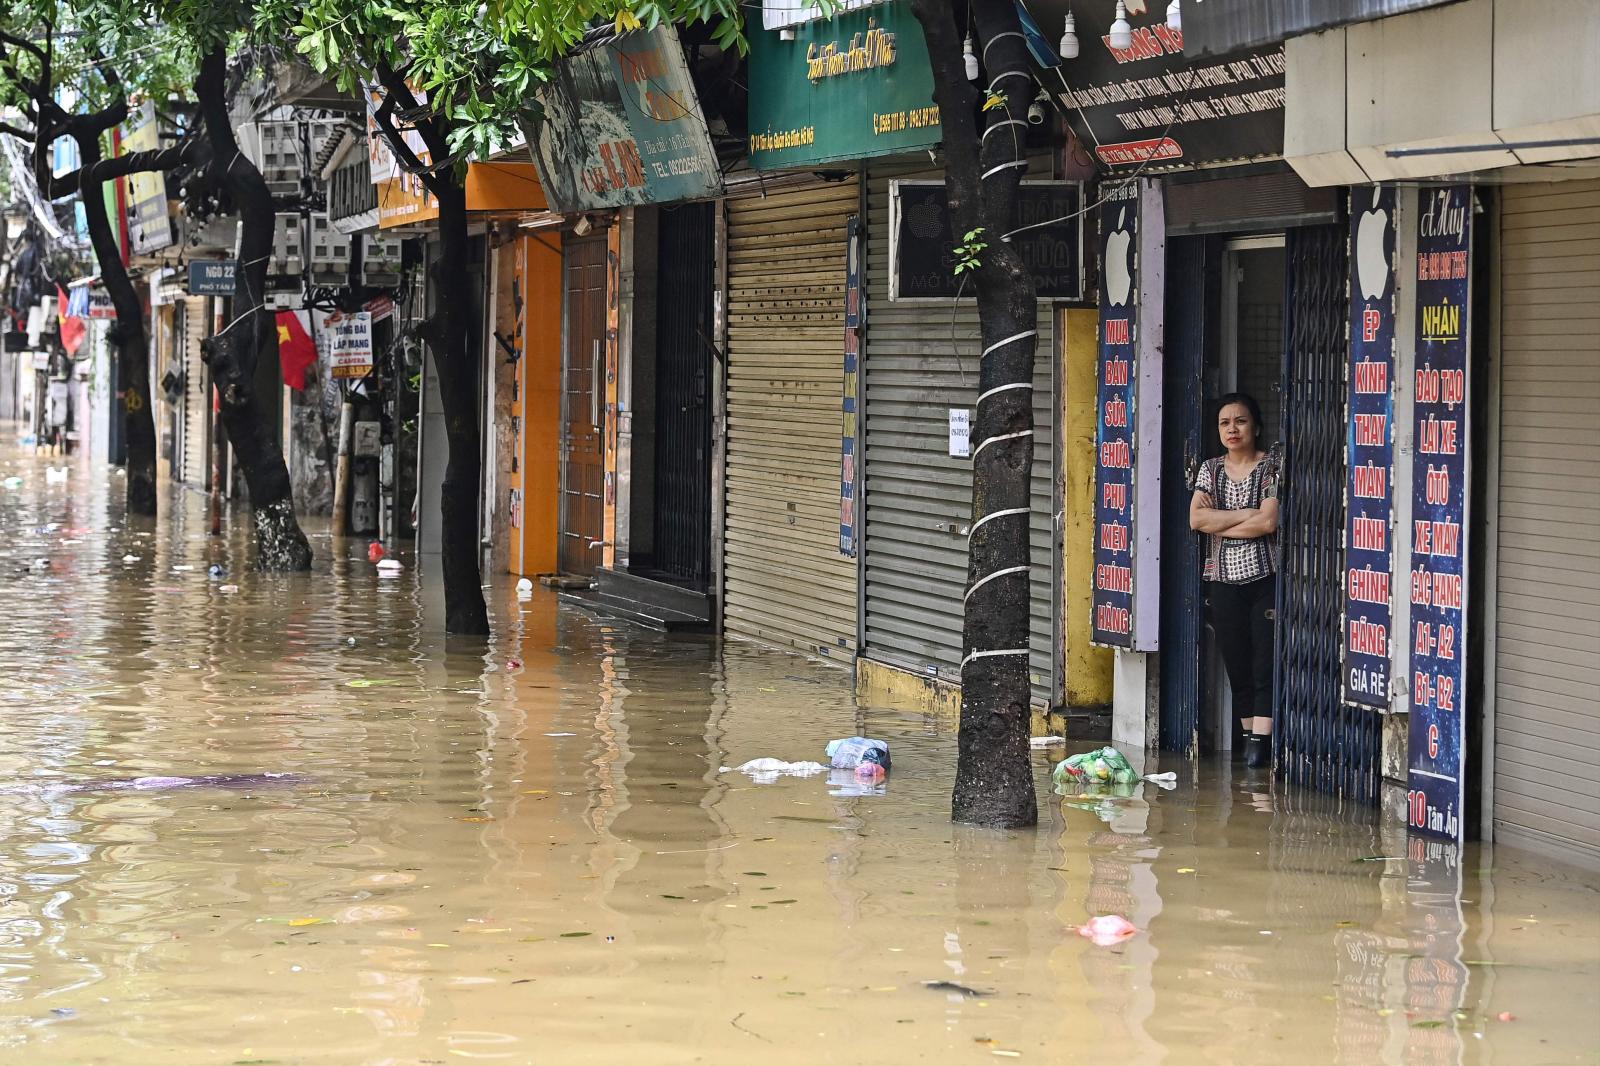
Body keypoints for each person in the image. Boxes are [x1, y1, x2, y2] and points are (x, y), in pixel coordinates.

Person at [1189, 393, 1280, 769]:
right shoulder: (1210, 469)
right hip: (1222, 581)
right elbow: (1196, 520)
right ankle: (1247, 738)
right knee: (1237, 662)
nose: (1232, 429)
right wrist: (1246, 513)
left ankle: (1262, 740)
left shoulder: (1271, 466)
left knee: (1264, 663)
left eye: (1240, 421)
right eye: (1225, 423)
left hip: (1265, 579)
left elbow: (1268, 522)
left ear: (1255, 426)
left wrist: (1223, 520)